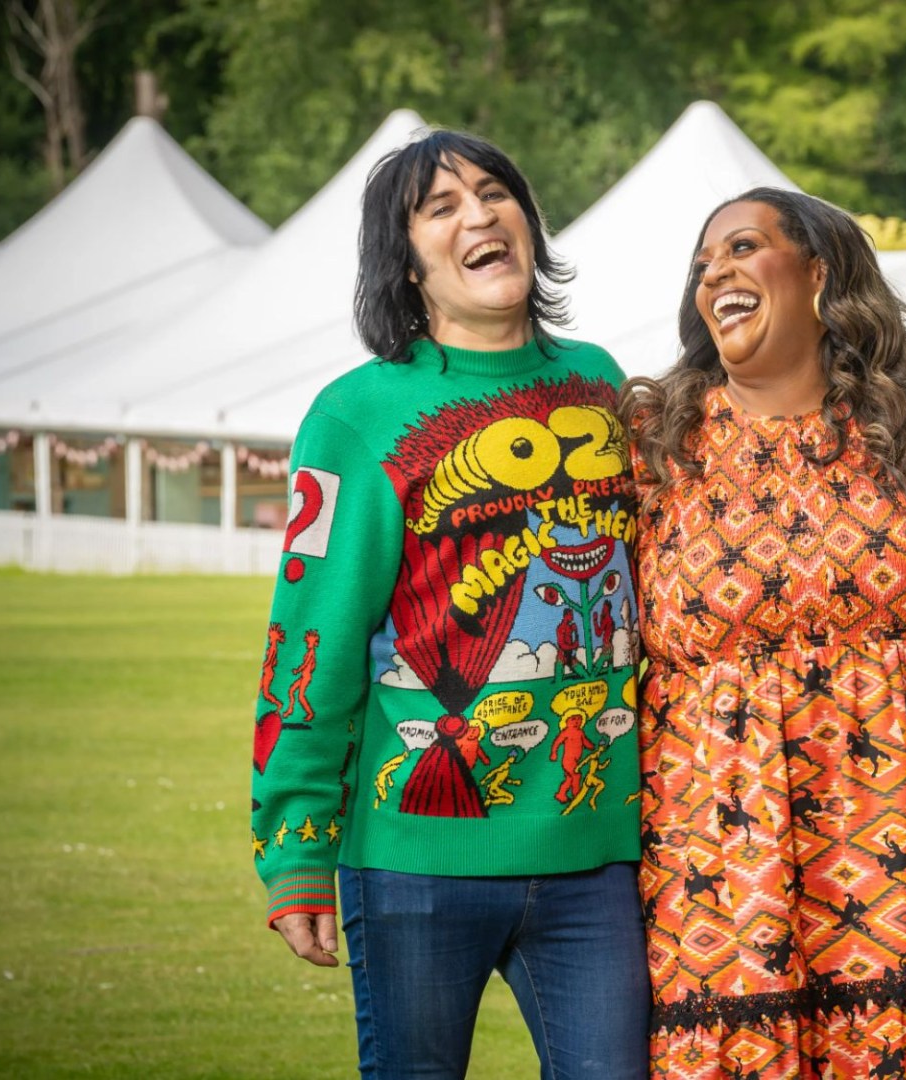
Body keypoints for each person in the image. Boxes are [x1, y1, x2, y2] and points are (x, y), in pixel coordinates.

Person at [250, 129, 648, 1079]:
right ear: (409, 262)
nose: (480, 214)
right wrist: (296, 845)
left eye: (496, 192)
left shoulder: (599, 383)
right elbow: (313, 635)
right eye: (442, 207)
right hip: (412, 860)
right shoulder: (355, 416)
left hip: (597, 855)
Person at [624, 187, 906, 1078]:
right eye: (704, 262)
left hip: (905, 835)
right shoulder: (655, 441)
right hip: (715, 838)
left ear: (820, 274)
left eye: (744, 248)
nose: (717, 271)